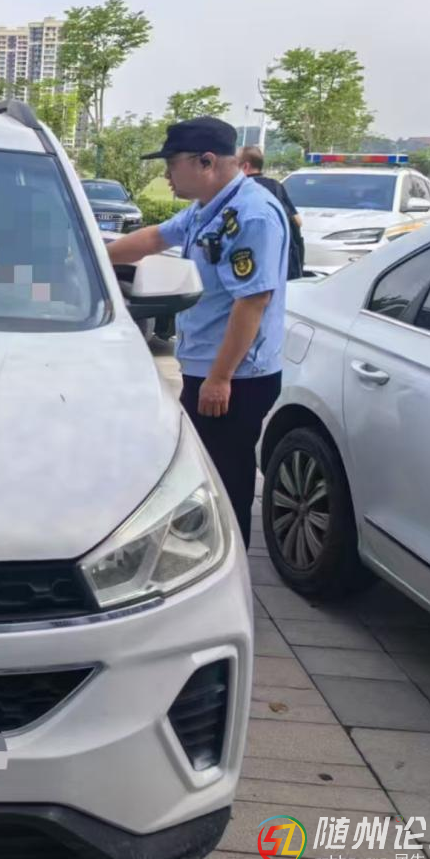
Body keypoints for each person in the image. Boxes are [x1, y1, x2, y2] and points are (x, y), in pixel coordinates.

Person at [106, 117, 288, 543]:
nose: (167, 175)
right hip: (208, 367)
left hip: (234, 377)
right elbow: (155, 238)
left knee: (225, 483)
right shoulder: (211, 208)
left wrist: (220, 378)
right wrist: (88, 257)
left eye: (172, 164)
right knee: (204, 476)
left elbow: (253, 301)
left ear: (206, 161)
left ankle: (227, 564)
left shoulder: (251, 215)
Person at [240, 146, 304, 279]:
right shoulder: (275, 186)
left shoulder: (239, 188)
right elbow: (298, 221)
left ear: (245, 166)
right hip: (279, 259)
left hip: (247, 261)